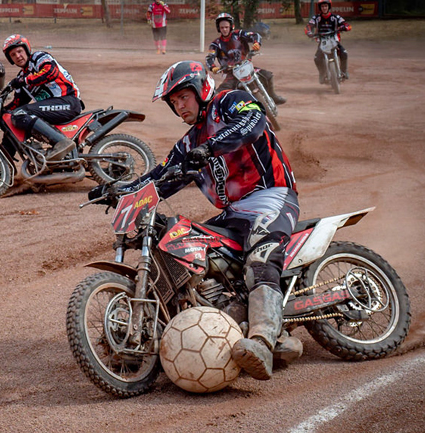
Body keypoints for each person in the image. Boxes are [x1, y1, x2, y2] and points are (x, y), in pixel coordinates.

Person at [91, 61, 301, 380]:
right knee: (178, 241)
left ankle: (262, 340)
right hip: (233, 214)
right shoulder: (189, 144)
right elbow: (158, 178)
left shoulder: (228, 101)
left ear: (201, 88)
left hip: (271, 195)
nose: (179, 106)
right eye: (173, 102)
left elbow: (254, 120)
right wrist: (118, 191)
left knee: (261, 257)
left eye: (183, 97)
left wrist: (211, 147)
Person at [1, 34, 83, 162]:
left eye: (19, 51)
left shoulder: (39, 58)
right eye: (13, 55)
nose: (17, 56)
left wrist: (25, 80)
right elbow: (18, 102)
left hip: (69, 101)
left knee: (21, 113)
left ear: (27, 50)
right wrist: (1, 110)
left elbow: (50, 72)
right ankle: (0, 172)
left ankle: (62, 143)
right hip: (53, 108)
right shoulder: (22, 77)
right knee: (12, 119)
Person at [205, 12, 286, 105]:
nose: (224, 30)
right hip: (231, 73)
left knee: (267, 75)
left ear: (231, 26)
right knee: (219, 93)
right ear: (218, 28)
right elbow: (209, 58)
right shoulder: (216, 44)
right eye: (222, 27)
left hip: (246, 67)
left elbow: (255, 35)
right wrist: (213, 67)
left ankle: (273, 96)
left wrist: (256, 43)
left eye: (226, 27)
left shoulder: (239, 34)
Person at [305, 0, 351, 83]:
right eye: (322, 6)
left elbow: (346, 24)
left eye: (326, 6)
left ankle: (344, 71)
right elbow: (308, 26)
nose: (324, 8)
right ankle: (322, 73)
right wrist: (309, 32)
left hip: (334, 41)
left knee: (344, 53)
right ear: (320, 8)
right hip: (322, 41)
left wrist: (345, 27)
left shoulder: (335, 17)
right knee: (317, 58)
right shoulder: (316, 18)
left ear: (329, 7)